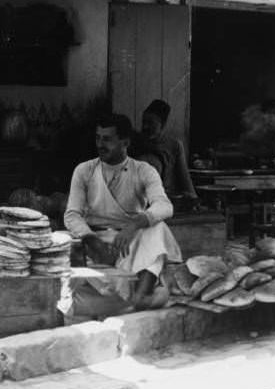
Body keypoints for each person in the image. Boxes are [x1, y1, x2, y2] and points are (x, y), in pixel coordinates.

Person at [64, 113, 182, 311]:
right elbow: (72, 214)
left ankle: (141, 295)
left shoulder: (144, 170)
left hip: (130, 241)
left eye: (107, 139)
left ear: (125, 142)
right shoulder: (84, 170)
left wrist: (134, 224)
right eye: (98, 138)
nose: (101, 144)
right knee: (60, 244)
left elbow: (164, 206)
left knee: (158, 229)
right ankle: (135, 301)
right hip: (95, 241)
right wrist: (91, 238)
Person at [139, 99, 199, 208]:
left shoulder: (174, 145)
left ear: (163, 124)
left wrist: (193, 200)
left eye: (150, 123)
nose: (145, 127)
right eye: (143, 122)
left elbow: (185, 179)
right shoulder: (136, 143)